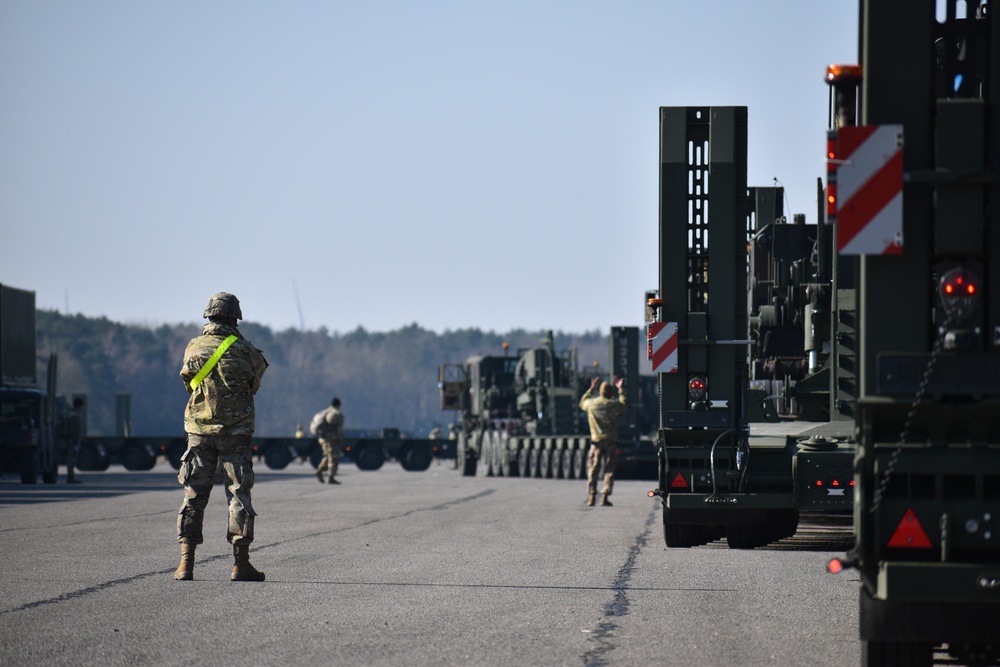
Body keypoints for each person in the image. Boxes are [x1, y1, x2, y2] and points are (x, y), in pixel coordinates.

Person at [173, 292, 269, 582]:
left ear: (208, 316)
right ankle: (240, 564)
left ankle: (185, 564)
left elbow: (188, 383)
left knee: (193, 495)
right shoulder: (246, 350)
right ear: (235, 317)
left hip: (199, 433)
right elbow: (254, 385)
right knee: (238, 495)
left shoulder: (193, 348)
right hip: (235, 433)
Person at [579, 375, 626, 507]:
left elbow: (582, 402)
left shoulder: (591, 404)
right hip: (610, 442)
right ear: (611, 393)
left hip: (596, 442)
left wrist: (591, 388)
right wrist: (620, 389)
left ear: (600, 391)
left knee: (593, 469)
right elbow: (623, 405)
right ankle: (604, 497)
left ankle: (591, 496)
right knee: (609, 469)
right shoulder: (612, 404)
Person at [311, 397, 345, 484]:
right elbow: (339, 428)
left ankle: (319, 470)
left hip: (323, 439)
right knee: (334, 458)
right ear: (338, 405)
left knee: (327, 457)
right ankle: (331, 477)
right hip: (331, 440)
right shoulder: (335, 413)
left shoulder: (325, 412)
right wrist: (339, 437)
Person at [65, 398, 84, 484]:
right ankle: (70, 477)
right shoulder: (74, 416)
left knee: (72, 459)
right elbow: (75, 430)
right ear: (80, 406)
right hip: (73, 441)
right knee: (71, 459)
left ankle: (71, 476)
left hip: (71, 440)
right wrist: (77, 441)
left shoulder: (71, 414)